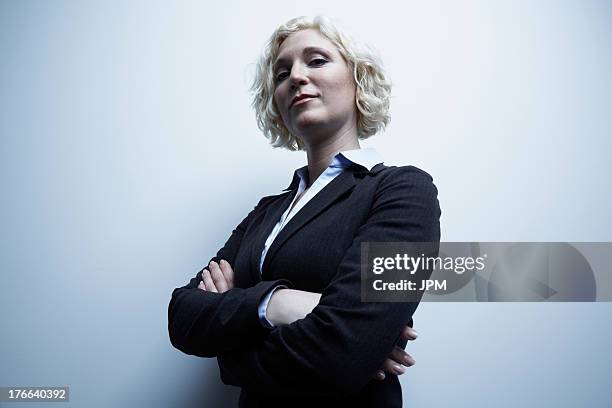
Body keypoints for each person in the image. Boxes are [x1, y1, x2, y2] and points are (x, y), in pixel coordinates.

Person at [168, 15, 441, 407]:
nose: (295, 76)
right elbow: (183, 316)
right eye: (282, 73)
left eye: (316, 61)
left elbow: (344, 357)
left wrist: (230, 347)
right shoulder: (266, 213)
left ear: (358, 79)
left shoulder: (405, 192)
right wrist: (278, 304)